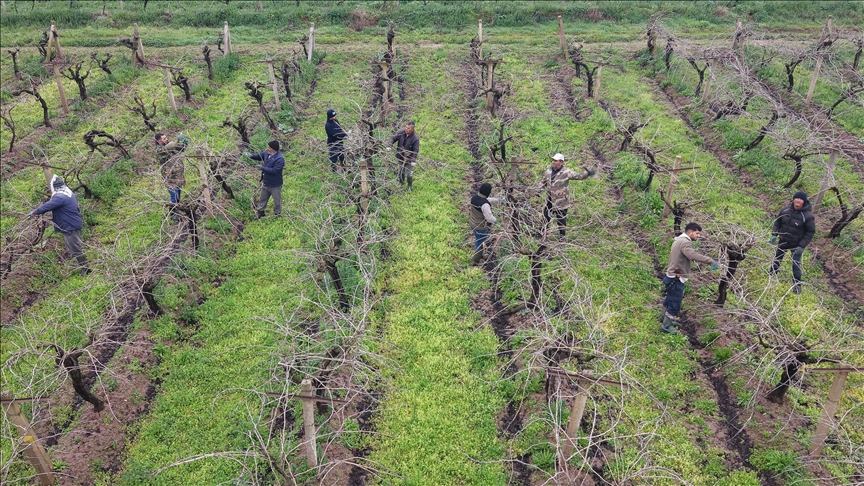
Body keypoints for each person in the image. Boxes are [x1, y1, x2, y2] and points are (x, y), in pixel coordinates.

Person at [661, 222, 720, 334]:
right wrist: (710, 261)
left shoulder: (678, 240)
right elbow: (692, 255)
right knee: (675, 303)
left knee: (669, 299)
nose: (698, 236)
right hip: (676, 277)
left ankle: (663, 318)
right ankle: (666, 326)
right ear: (690, 232)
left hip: (671, 275)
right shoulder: (685, 242)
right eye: (697, 233)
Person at [29, 175, 90, 276]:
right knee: (73, 246)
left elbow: (47, 206)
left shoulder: (60, 197)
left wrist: (34, 212)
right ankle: (81, 265)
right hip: (72, 223)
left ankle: (85, 268)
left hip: (70, 226)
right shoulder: (68, 192)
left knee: (75, 247)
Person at [770, 191, 815, 294]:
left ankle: (797, 285)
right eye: (796, 198)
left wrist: (802, 246)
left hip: (797, 244)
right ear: (794, 199)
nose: (798, 200)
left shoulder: (807, 216)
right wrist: (774, 234)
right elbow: (778, 222)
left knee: (795, 265)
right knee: (777, 258)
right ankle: (772, 274)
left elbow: (810, 232)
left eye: (801, 199)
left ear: (804, 201)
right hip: (783, 240)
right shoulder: (785, 210)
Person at [541, 153, 595, 236]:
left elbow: (579, 176)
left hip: (561, 201)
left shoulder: (566, 172)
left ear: (561, 162)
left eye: (555, 160)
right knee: (545, 217)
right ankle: (541, 233)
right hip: (550, 200)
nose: (553, 162)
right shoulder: (548, 171)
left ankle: (562, 237)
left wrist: (587, 174)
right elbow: (543, 182)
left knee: (561, 220)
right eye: (553, 160)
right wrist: (537, 190)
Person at [244, 141, 285, 219]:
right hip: (266, 182)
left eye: (269, 147)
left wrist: (263, 168)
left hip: (275, 184)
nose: (267, 148)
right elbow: (260, 156)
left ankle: (277, 214)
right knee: (262, 199)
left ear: (274, 149)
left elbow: (275, 171)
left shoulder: (280, 159)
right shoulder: (267, 153)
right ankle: (260, 213)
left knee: (277, 200)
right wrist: (251, 156)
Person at [468, 182, 505, 265]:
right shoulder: (485, 205)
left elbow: (490, 200)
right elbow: (489, 218)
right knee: (480, 243)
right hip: (480, 227)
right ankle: (476, 261)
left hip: (473, 224)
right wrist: (496, 221)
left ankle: (481, 254)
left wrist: (500, 201)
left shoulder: (475, 198)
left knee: (479, 240)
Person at [155, 131, 189, 220]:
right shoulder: (160, 150)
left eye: (166, 137)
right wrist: (178, 138)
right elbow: (170, 146)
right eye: (164, 138)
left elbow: (180, 148)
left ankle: (177, 210)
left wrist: (184, 143)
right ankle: (173, 214)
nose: (166, 139)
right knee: (173, 196)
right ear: (159, 141)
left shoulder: (171, 147)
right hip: (170, 178)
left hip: (178, 176)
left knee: (178, 195)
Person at [386, 121, 419, 191]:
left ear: (412, 129)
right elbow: (393, 138)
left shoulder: (415, 139)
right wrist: (389, 146)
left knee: (409, 174)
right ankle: (401, 182)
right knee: (401, 171)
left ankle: (409, 186)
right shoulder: (401, 133)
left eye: (408, 128)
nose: (406, 129)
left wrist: (413, 160)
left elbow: (415, 151)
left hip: (409, 159)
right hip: (400, 156)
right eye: (406, 127)